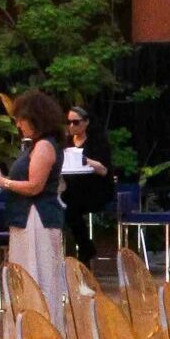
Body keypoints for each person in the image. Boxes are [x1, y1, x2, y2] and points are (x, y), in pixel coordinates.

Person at [0, 89, 69, 326]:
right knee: (27, 276)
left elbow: (34, 186)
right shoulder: (36, 146)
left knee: (37, 276)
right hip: (25, 218)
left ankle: (41, 331)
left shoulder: (44, 147)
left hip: (36, 218)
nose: (18, 124)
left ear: (35, 118)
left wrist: (3, 182)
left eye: (21, 119)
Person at [58, 104, 117, 263]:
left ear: (86, 122)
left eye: (75, 122)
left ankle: (85, 248)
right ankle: (78, 249)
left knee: (71, 208)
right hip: (72, 189)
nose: (71, 126)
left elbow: (104, 170)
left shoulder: (97, 142)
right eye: (69, 122)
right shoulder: (67, 142)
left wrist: (84, 160)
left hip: (96, 190)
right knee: (64, 205)